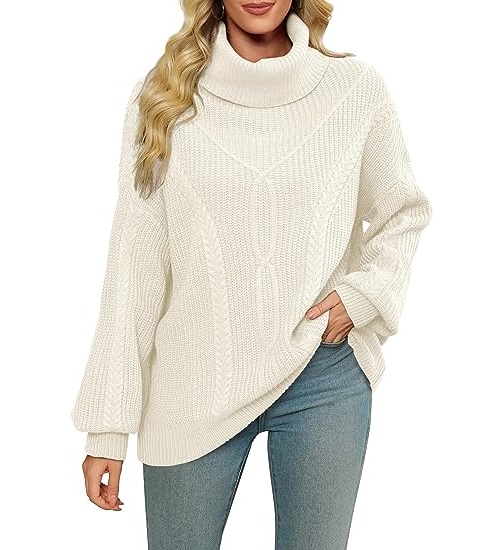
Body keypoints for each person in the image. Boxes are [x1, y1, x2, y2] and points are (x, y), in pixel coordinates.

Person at [71, 0, 433, 548]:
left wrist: (361, 296)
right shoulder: (165, 98)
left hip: (321, 372)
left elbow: (402, 213)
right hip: (193, 381)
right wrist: (108, 427)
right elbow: (134, 266)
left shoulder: (354, 91)